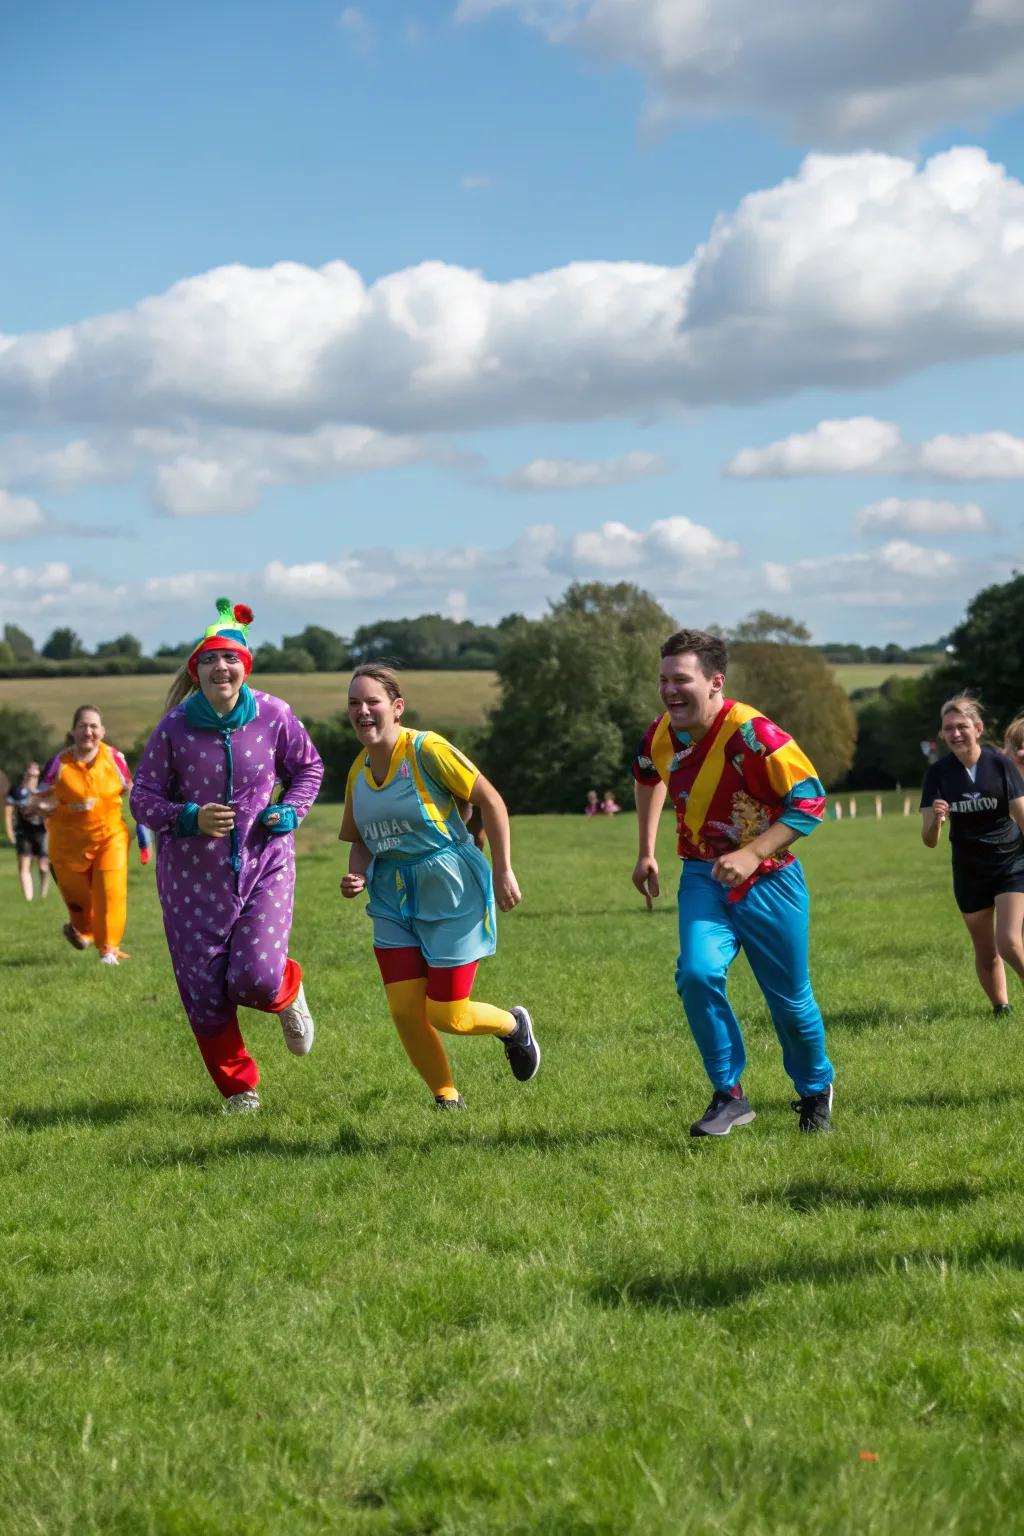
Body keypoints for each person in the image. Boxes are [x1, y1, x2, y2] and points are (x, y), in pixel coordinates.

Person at [632, 628, 835, 1136]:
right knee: (697, 974)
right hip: (702, 876)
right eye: (663, 680)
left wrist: (752, 852)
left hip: (772, 880)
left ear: (715, 682)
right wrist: (646, 851)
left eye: (682, 679)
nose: (670, 690)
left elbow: (810, 801)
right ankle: (729, 1095)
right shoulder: (660, 734)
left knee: (789, 1000)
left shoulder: (755, 733)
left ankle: (815, 1091)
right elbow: (645, 775)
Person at [130, 599, 324, 1113]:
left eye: (231, 658)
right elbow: (142, 797)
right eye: (212, 660)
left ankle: (286, 989)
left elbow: (308, 768)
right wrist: (189, 817)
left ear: (245, 666)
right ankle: (241, 1091)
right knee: (205, 991)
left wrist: (292, 810)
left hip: (264, 863)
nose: (223, 668)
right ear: (197, 670)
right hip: (190, 879)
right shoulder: (174, 728)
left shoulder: (274, 715)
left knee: (254, 977)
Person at [339, 664, 539, 1109]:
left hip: (451, 887)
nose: (362, 711)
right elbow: (360, 841)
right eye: (354, 703)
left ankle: (512, 1025)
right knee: (405, 1010)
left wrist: (504, 869)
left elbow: (491, 801)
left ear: (397, 707)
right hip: (391, 896)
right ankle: (446, 1095)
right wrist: (355, 875)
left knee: (447, 1013)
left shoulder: (427, 748)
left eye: (372, 702)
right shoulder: (357, 771)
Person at [921, 695, 1024, 1015]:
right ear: (942, 734)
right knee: (985, 951)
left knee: (1008, 941)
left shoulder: (1001, 765)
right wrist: (937, 821)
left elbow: (1022, 817)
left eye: (962, 726)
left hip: (1010, 863)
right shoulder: (938, 774)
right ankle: (1000, 1009)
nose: (955, 733)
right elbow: (929, 840)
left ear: (977, 728)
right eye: (948, 728)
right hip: (968, 870)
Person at [34, 708, 132, 963]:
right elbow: (38, 799)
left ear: (102, 731)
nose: (88, 732)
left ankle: (109, 949)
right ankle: (84, 931)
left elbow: (130, 788)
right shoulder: (59, 764)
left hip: (110, 836)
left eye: (93, 726)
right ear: (73, 731)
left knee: (110, 888)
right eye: (82, 726)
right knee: (78, 900)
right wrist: (45, 807)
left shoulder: (114, 758)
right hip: (67, 844)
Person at [5, 761, 51, 902]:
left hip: (42, 833)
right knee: (24, 865)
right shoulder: (16, 792)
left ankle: (43, 893)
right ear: (25, 774)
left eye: (35, 775)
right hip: (23, 833)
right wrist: (10, 831)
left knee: (43, 866)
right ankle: (29, 899)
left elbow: (52, 812)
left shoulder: (44, 791)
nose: (32, 778)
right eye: (29, 774)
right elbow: (8, 812)